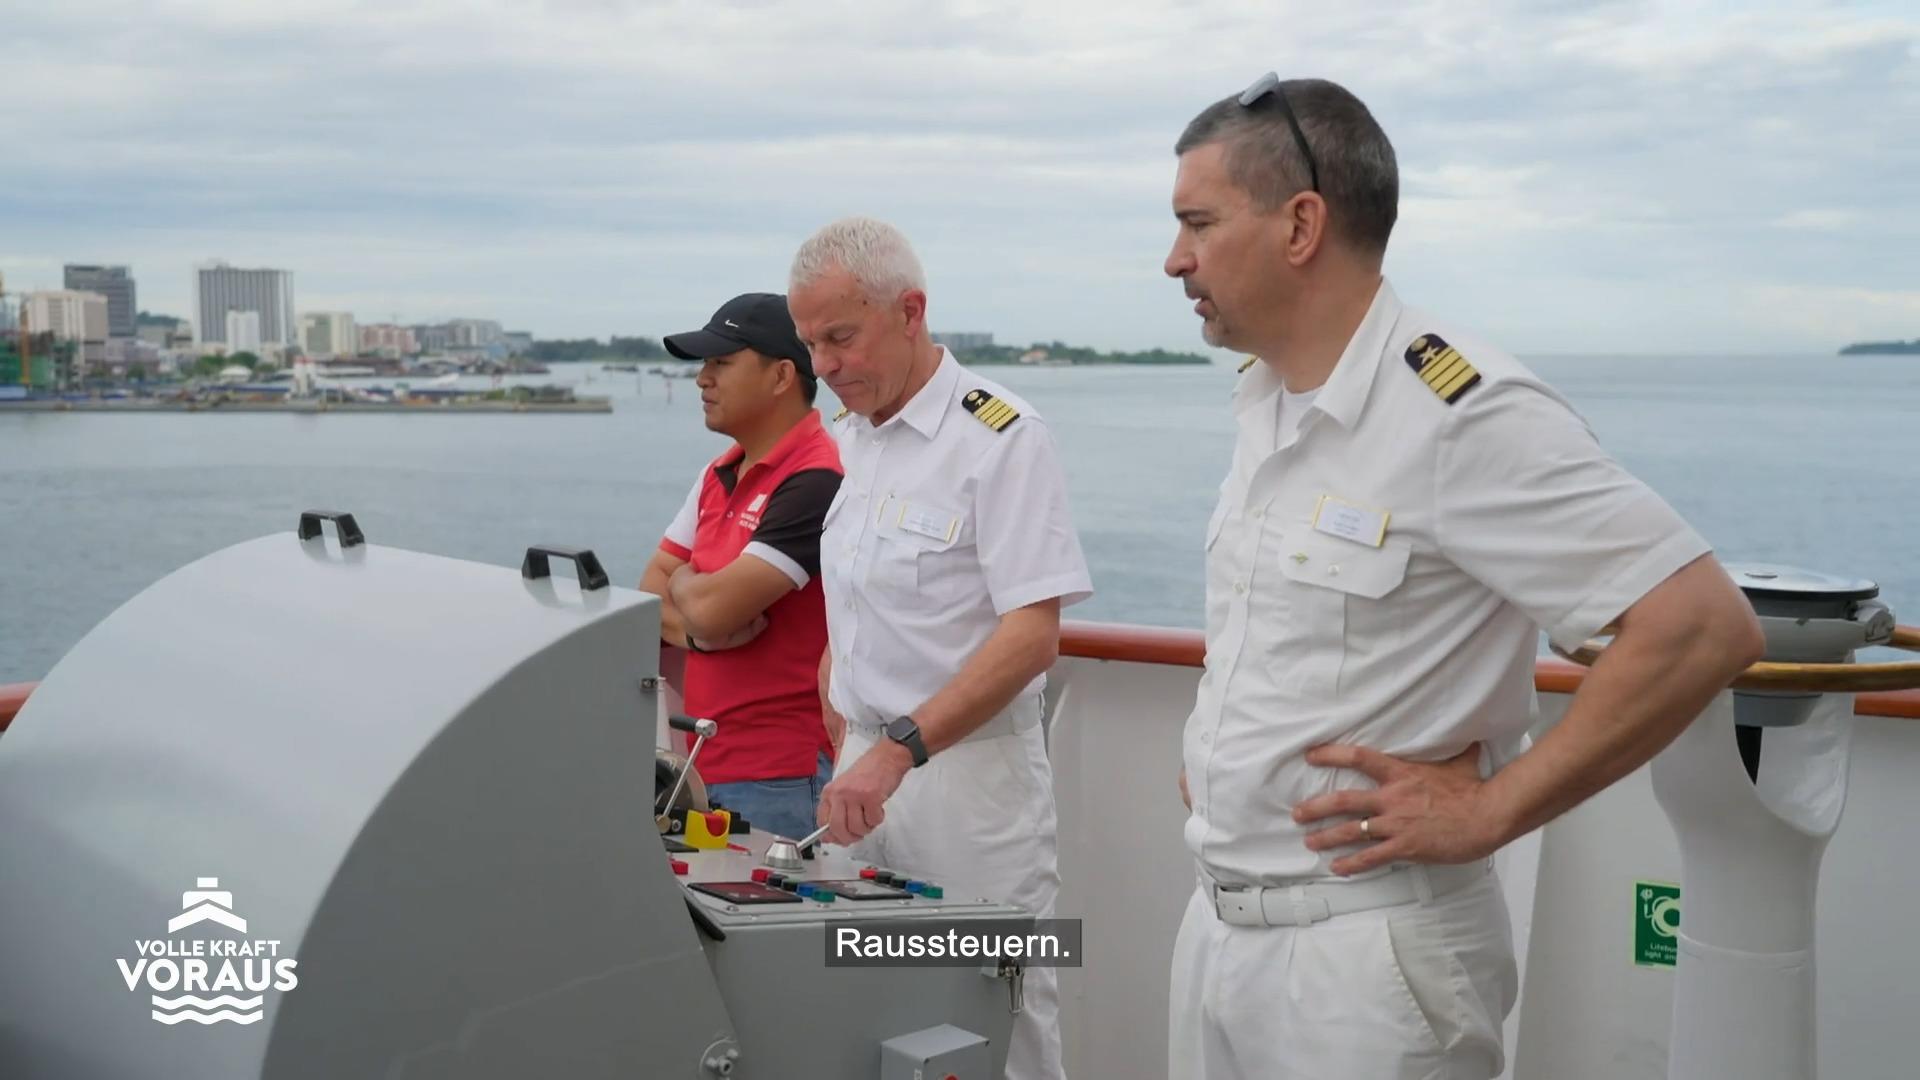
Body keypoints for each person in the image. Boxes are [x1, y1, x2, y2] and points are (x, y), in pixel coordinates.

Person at [1162, 74, 1765, 1080]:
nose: (1175, 259)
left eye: (1199, 223)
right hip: (1222, 931)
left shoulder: (1460, 411)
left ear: (1301, 225)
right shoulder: (1268, 399)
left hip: (1362, 960)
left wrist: (1491, 811)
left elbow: (1701, 625)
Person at [789, 216, 1092, 1080]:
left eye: (840, 337)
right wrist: (846, 720)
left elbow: (1031, 635)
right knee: (870, 1014)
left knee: (996, 1016)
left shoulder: (1000, 436)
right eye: (811, 345)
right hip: (863, 774)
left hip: (968, 786)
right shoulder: (852, 438)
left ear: (910, 311)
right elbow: (857, 602)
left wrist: (897, 749)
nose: (824, 365)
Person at [638, 292, 842, 841]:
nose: (702, 379)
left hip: (782, 777)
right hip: (706, 765)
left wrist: (686, 583)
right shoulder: (719, 472)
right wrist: (698, 635)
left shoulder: (816, 480)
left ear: (781, 376)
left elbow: (711, 610)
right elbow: (649, 591)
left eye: (722, 362)